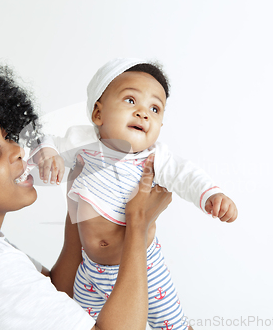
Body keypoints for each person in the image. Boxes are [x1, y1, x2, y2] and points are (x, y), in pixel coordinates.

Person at [0, 50, 172, 330]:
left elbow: (55, 292)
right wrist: (138, 222)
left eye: (8, 136)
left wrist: (79, 200)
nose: (17, 150)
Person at [32, 58, 238, 330]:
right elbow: (46, 141)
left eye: (155, 108)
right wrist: (49, 154)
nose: (143, 113)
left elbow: (186, 174)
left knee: (174, 326)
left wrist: (212, 195)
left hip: (146, 269)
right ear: (98, 114)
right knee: (75, 322)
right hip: (90, 270)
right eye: (131, 101)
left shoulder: (155, 158)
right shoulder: (82, 144)